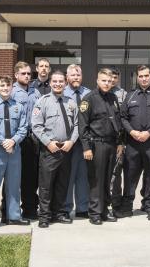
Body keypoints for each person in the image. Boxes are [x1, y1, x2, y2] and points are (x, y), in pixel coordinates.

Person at [118, 64, 150, 220]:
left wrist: (148, 132)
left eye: (146, 75)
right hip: (133, 143)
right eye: (141, 76)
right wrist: (132, 132)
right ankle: (127, 206)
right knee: (130, 175)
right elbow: (123, 117)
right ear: (137, 77)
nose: (144, 78)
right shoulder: (130, 95)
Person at [0, 76, 30, 230]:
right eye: (2, 85)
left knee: (14, 186)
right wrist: (3, 141)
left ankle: (14, 216)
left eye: (8, 86)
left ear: (12, 88)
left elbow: (24, 127)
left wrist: (13, 141)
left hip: (14, 151)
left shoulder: (19, 106)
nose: (5, 88)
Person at [32, 70, 79, 228]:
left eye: (61, 81)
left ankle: (58, 213)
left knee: (62, 183)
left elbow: (78, 125)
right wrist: (48, 143)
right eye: (55, 81)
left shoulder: (71, 103)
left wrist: (71, 142)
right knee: (46, 185)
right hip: (49, 149)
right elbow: (36, 126)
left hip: (66, 149)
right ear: (50, 83)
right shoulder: (42, 102)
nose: (58, 84)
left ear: (65, 83)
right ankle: (45, 216)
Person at [78, 68, 123, 225]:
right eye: (104, 80)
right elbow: (82, 125)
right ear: (97, 81)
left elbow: (117, 121)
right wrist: (86, 147)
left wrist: (119, 143)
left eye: (110, 81)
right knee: (96, 180)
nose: (107, 83)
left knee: (107, 179)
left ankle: (104, 210)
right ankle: (95, 213)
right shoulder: (88, 99)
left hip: (111, 144)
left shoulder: (113, 97)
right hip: (96, 144)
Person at [11, 61, 41, 220]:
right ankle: (7, 211)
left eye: (29, 73)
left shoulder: (36, 93)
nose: (27, 76)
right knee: (13, 176)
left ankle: (30, 209)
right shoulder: (12, 92)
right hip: (17, 138)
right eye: (23, 73)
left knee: (31, 176)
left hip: (33, 138)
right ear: (16, 75)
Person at [63, 64, 91, 218]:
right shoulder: (63, 92)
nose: (76, 77)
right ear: (67, 77)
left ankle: (83, 207)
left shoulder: (88, 93)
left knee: (83, 176)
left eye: (78, 75)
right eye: (73, 75)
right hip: (69, 143)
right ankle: (66, 208)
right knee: (68, 176)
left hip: (85, 142)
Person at [108, 67, 127, 214]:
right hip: (102, 139)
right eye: (110, 77)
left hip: (119, 140)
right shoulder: (99, 93)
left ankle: (116, 204)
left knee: (116, 173)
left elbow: (126, 118)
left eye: (115, 77)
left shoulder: (124, 95)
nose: (112, 80)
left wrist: (122, 141)